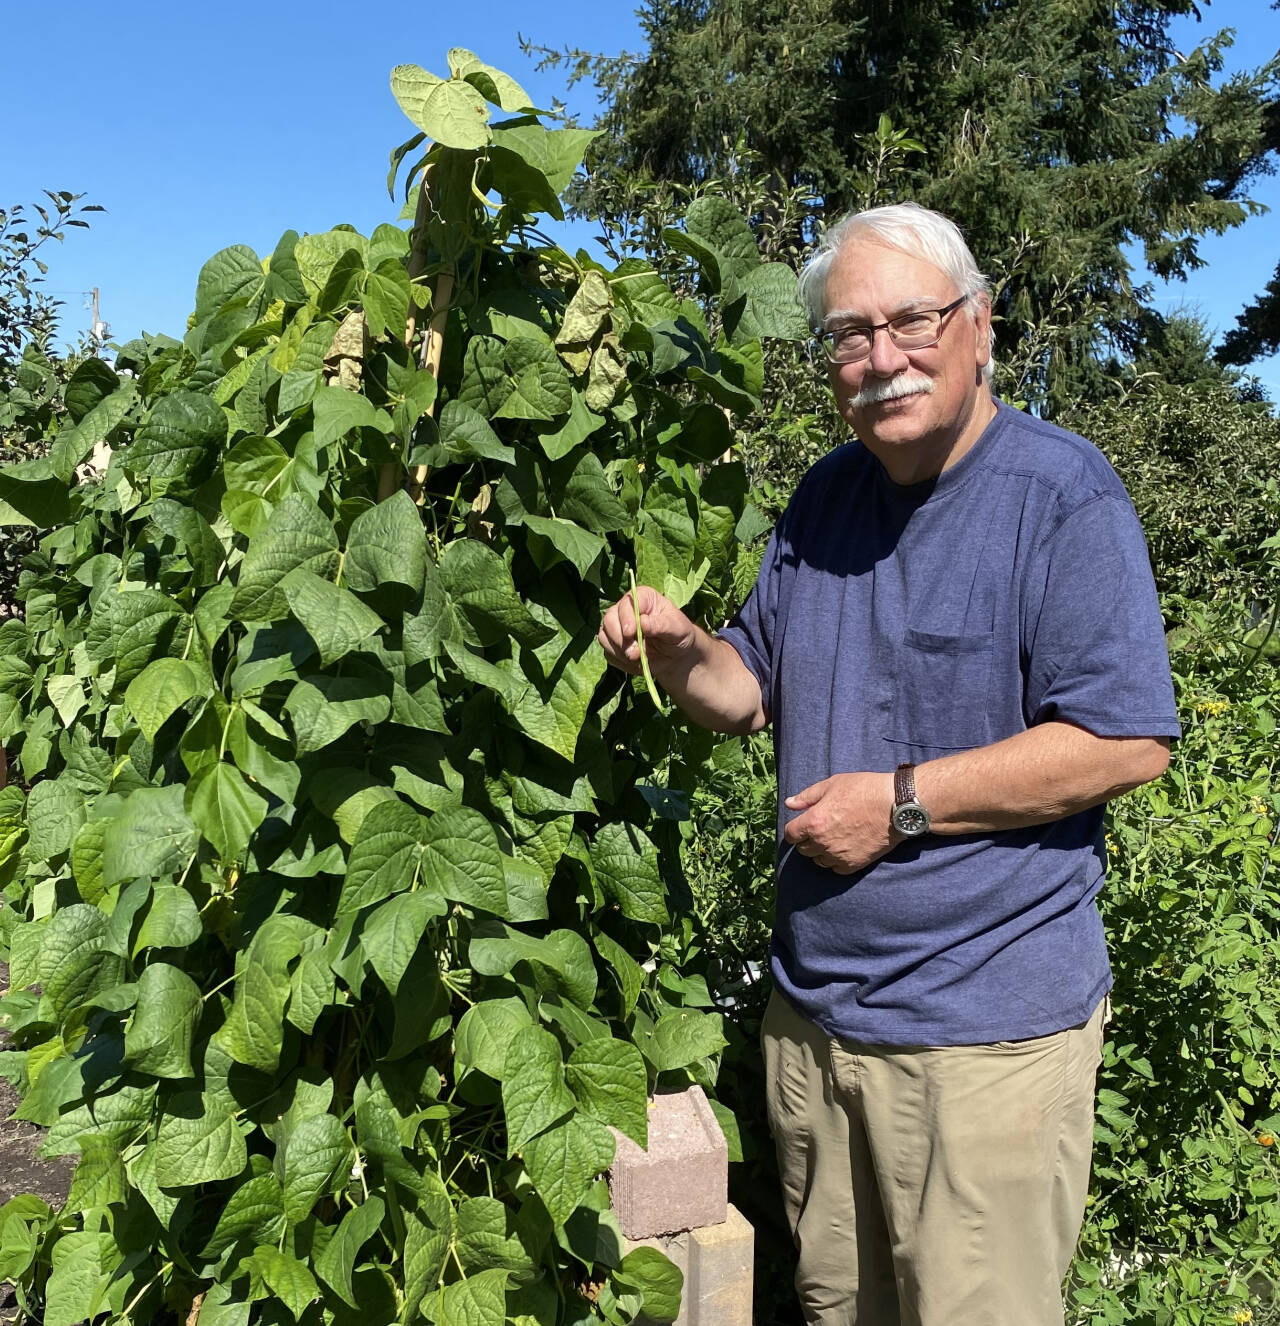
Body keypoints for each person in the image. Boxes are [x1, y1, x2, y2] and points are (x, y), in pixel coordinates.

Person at [598, 202, 1181, 1326]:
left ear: (978, 325)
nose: (878, 359)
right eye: (846, 335)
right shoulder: (824, 498)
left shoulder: (1059, 498)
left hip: (980, 1043)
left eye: (909, 320)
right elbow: (747, 691)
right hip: (814, 1027)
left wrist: (897, 807)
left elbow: (1123, 739)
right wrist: (681, 651)